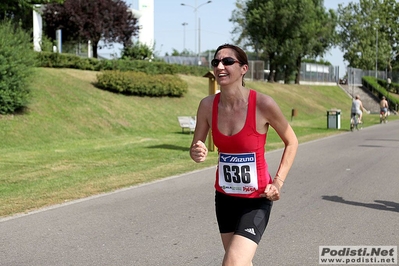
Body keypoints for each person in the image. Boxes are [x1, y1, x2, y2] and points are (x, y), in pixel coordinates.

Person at [190, 44, 298, 266]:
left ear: (243, 69)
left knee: (233, 263)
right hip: (225, 198)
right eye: (216, 62)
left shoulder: (263, 104)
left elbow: (292, 141)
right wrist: (196, 151)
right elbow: (196, 147)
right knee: (240, 262)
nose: (220, 66)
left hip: (256, 199)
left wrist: (277, 182)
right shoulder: (207, 105)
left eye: (228, 62)